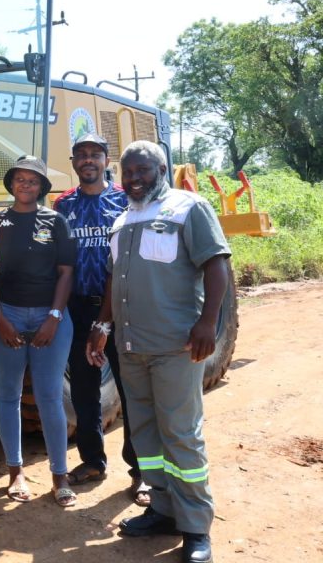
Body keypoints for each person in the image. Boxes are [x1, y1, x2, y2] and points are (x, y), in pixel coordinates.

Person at [87, 141, 230, 563]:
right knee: (146, 434)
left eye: (143, 170)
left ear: (162, 170)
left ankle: (195, 526)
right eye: (128, 172)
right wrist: (102, 325)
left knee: (180, 433)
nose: (134, 178)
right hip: (131, 346)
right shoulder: (123, 219)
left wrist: (207, 323)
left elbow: (217, 263)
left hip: (175, 345)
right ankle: (163, 509)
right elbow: (113, 279)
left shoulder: (189, 207)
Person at [53, 133, 150, 505]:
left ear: (107, 161)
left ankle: (140, 472)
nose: (88, 160)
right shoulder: (63, 205)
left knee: (131, 389)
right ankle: (92, 461)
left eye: (95, 154)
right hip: (79, 309)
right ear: (74, 162)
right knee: (83, 390)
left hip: (122, 309)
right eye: (81, 154)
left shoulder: (126, 200)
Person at [0, 155, 78, 507]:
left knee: (50, 396)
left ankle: (60, 475)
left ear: (41, 187)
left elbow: (66, 272)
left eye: (33, 180)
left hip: (49, 316)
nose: (26, 185)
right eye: (20, 179)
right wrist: (0, 319)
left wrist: (53, 317)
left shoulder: (55, 221)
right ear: (11, 184)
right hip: (6, 314)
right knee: (7, 394)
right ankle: (15, 472)